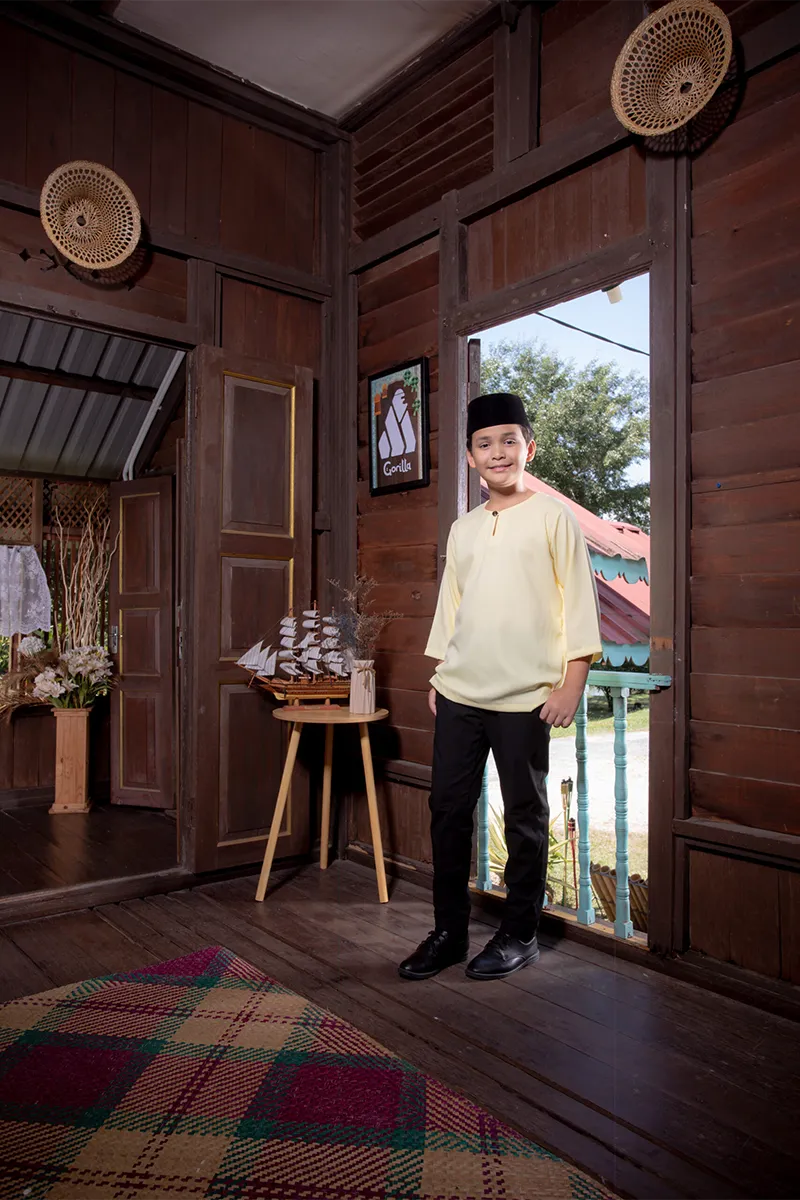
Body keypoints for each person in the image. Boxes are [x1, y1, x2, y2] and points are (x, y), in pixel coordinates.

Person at [398, 392, 602, 982]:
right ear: (470, 457)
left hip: (526, 698)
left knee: (524, 817)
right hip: (459, 694)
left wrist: (571, 684)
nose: (498, 452)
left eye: (509, 441)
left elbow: (579, 604)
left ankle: (520, 933)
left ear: (528, 448)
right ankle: (448, 933)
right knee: (447, 812)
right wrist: (440, 673)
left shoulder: (553, 518)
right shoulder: (463, 529)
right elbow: (452, 607)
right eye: (484, 444)